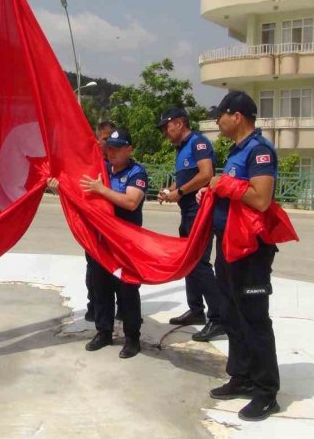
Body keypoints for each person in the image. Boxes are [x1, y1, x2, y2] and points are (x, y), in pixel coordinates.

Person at [197, 91, 281, 421]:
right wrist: (214, 189)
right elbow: (232, 191)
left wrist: (224, 184)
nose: (218, 121)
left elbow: (261, 199)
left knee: (255, 320)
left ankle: (266, 392)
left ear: (238, 116)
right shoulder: (237, 151)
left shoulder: (259, 151)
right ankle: (242, 376)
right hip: (230, 245)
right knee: (232, 315)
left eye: (221, 115)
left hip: (250, 251)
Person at [47, 128, 147, 358]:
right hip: (99, 242)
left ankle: (132, 338)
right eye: (109, 148)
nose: (112, 153)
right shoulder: (99, 169)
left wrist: (101, 189)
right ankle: (104, 332)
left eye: (118, 148)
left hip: (124, 244)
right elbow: (79, 191)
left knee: (127, 290)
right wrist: (58, 187)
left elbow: (131, 202)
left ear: (129, 149)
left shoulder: (136, 172)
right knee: (100, 288)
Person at [155, 106, 227, 342]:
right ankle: (196, 310)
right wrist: (170, 191)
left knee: (199, 264)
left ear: (179, 123)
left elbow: (206, 174)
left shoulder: (199, 143)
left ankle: (219, 318)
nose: (165, 132)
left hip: (200, 213)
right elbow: (184, 180)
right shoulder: (182, 149)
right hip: (187, 213)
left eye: (166, 127)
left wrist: (182, 191)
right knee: (189, 262)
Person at [82, 121, 119, 322]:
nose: (109, 143)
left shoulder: (121, 165)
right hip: (95, 229)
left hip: (118, 229)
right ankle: (94, 305)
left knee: (121, 271)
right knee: (94, 271)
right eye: (106, 139)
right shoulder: (90, 164)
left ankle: (122, 307)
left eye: (112, 139)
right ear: (97, 140)